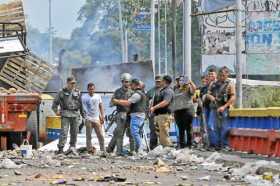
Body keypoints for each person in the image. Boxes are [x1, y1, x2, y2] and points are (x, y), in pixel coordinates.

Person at [112, 79, 146, 154]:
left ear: (134, 84)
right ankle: (121, 151)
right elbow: (111, 103)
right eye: (126, 82)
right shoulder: (119, 91)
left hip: (136, 115)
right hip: (129, 115)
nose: (129, 85)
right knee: (121, 134)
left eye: (131, 84)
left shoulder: (136, 94)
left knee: (134, 133)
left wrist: (117, 101)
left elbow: (128, 103)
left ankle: (139, 149)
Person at [52, 76, 84, 155]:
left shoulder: (77, 92)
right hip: (65, 114)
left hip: (75, 114)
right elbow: (54, 104)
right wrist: (56, 112)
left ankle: (72, 147)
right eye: (72, 83)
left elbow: (81, 104)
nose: (73, 85)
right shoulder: (61, 92)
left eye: (74, 83)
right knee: (64, 132)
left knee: (74, 132)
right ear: (68, 83)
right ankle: (61, 148)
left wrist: (83, 115)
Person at [206, 67, 236, 149]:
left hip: (224, 108)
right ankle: (214, 144)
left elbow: (233, 97)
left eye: (223, 75)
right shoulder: (214, 83)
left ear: (227, 74)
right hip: (214, 107)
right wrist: (211, 97)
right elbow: (208, 94)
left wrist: (224, 106)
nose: (221, 77)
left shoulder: (230, 83)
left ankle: (225, 144)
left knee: (224, 127)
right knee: (211, 126)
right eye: (220, 75)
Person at [107, 73, 135, 156]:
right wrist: (115, 102)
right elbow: (111, 103)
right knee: (119, 134)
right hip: (120, 114)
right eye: (124, 81)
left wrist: (119, 102)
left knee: (131, 134)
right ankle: (119, 151)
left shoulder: (133, 92)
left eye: (127, 82)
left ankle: (132, 151)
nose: (125, 83)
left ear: (130, 82)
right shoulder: (117, 91)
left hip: (130, 115)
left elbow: (133, 104)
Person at [150, 75, 174, 147]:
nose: (161, 82)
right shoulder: (162, 90)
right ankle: (164, 149)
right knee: (161, 134)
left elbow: (166, 102)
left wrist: (154, 107)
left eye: (162, 80)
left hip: (164, 115)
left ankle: (168, 149)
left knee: (164, 134)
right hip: (159, 115)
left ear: (165, 81)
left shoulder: (168, 91)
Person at [173, 76, 196, 148]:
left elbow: (194, 90)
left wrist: (190, 82)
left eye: (183, 80)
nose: (181, 82)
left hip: (187, 110)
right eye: (179, 80)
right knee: (180, 128)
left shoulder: (188, 87)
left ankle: (189, 144)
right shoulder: (175, 88)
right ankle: (182, 145)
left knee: (188, 128)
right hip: (178, 111)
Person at [82, 83, 105, 154]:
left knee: (100, 135)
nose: (91, 91)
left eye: (93, 89)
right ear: (88, 89)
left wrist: (102, 115)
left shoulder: (97, 96)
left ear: (94, 89)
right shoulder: (84, 97)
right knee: (88, 136)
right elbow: (82, 107)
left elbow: (100, 106)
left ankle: (102, 150)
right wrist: (84, 117)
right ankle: (89, 150)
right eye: (90, 89)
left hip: (96, 118)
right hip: (88, 118)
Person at [146, 75, 163, 149]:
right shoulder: (151, 91)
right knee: (153, 131)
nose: (158, 83)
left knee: (163, 131)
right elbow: (146, 102)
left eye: (159, 81)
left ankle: (163, 147)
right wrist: (147, 112)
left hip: (163, 114)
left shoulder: (166, 90)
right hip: (153, 114)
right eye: (157, 81)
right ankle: (153, 147)